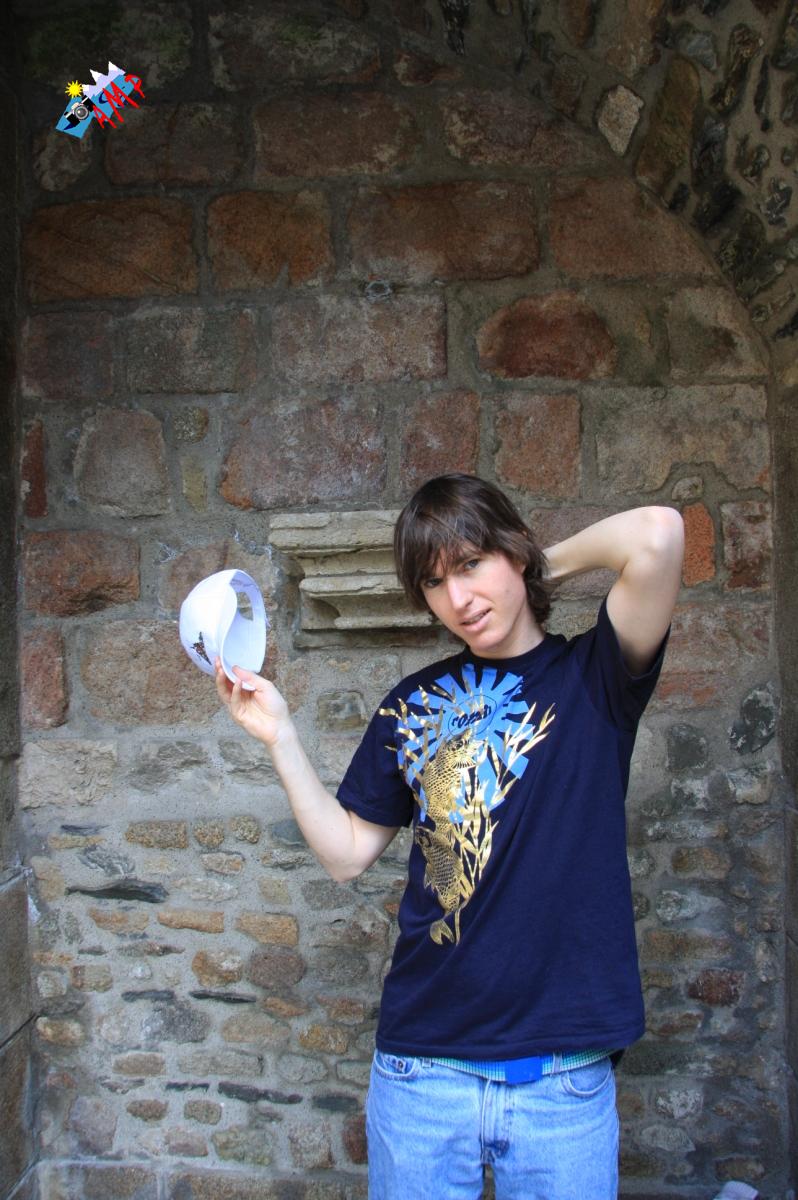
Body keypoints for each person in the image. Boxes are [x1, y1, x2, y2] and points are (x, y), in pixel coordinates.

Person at [215, 473, 685, 1200]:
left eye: (471, 564)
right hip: (422, 1073)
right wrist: (280, 737)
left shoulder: (595, 677)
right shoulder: (410, 706)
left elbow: (658, 533)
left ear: (514, 549)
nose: (458, 599)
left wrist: (532, 568)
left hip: (560, 1078)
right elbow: (346, 854)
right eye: (435, 583)